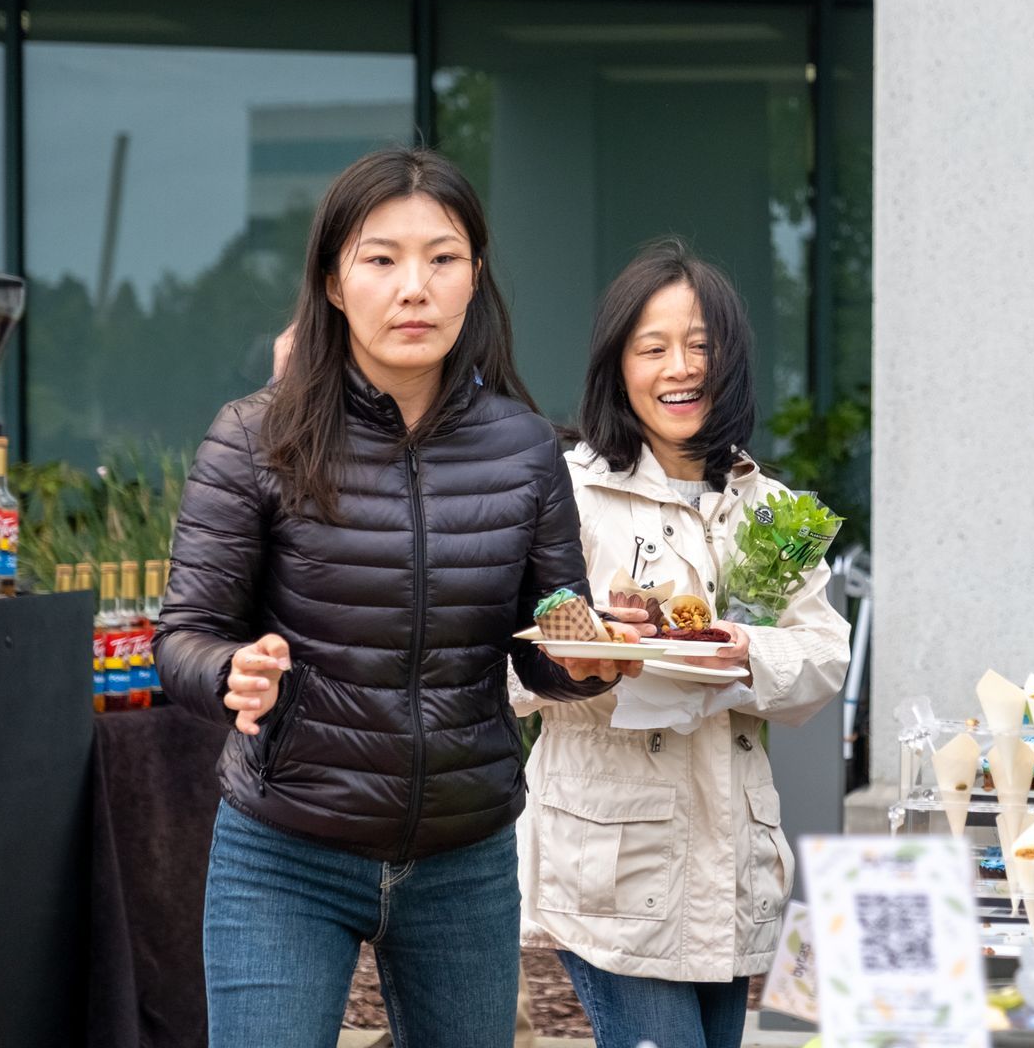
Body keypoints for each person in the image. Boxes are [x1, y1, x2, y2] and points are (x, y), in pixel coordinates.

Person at [156, 147, 642, 1048]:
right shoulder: (254, 436)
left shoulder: (527, 449)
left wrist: (587, 659)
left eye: (442, 258)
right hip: (286, 851)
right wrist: (233, 669)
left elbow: (548, 636)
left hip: (466, 857)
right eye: (381, 259)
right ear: (335, 283)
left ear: (474, 279)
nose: (413, 287)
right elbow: (184, 634)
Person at [513, 240, 850, 1048]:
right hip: (615, 865)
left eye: (701, 345)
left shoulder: (768, 507)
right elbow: (499, 666)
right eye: (653, 346)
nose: (680, 367)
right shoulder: (567, 491)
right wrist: (586, 653)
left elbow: (824, 658)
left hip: (730, 864)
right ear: (616, 365)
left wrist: (743, 652)